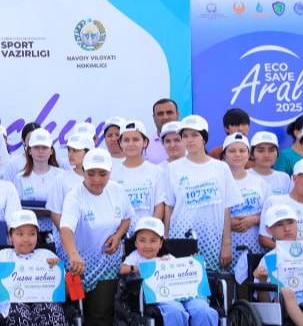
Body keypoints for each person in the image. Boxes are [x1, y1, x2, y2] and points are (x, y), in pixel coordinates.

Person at [59, 148, 130, 326]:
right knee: (75, 312)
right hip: (78, 267)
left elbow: (127, 218)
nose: (97, 180)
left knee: (100, 314)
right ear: (83, 171)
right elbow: (66, 229)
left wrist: (117, 236)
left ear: (110, 172)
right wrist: (73, 255)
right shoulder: (74, 197)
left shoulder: (117, 190)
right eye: (91, 173)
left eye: (102, 174)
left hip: (107, 266)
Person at [121, 216, 217, 326]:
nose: (147, 245)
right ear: (135, 242)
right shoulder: (135, 257)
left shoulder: (168, 257)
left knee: (203, 310)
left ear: (161, 243)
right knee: (175, 311)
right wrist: (138, 268)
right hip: (162, 297)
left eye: (153, 241)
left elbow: (183, 271)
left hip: (184, 294)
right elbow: (123, 269)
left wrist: (193, 261)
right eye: (142, 240)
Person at [163, 115, 235, 272]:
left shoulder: (221, 168)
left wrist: (227, 243)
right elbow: (169, 207)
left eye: (194, 135)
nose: (189, 140)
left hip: (212, 239)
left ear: (204, 138)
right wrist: (166, 241)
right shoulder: (172, 168)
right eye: (185, 136)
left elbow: (226, 208)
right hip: (180, 237)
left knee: (211, 281)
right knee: (182, 279)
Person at [113, 119, 167, 233]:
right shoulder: (112, 174)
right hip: (120, 236)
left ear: (145, 142)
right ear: (120, 143)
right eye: (126, 140)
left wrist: (150, 232)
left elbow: (159, 206)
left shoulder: (157, 172)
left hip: (148, 236)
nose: (131, 144)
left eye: (136, 139)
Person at [221, 133, 268, 261]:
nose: (237, 154)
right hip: (225, 248)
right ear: (224, 155)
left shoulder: (260, 182)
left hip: (256, 247)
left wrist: (254, 219)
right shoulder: (218, 182)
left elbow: (269, 213)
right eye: (232, 151)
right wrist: (228, 223)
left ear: (249, 154)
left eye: (242, 151)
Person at [11, 127, 63, 242]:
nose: (40, 151)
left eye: (44, 147)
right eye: (36, 147)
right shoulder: (20, 178)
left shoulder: (61, 175)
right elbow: (16, 209)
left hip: (57, 233)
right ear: (29, 151)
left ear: (51, 151)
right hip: (29, 235)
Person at [145, 98, 179, 164]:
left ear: (177, 114)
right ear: (154, 118)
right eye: (160, 114)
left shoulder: (190, 141)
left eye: (169, 112)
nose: (165, 117)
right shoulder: (145, 145)